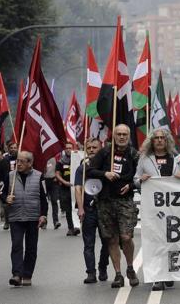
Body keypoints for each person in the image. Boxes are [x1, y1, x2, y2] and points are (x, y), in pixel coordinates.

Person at [87, 124, 140, 289]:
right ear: (114, 136)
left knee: (126, 237)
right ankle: (118, 273)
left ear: (128, 136)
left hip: (125, 201)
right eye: (119, 134)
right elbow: (89, 171)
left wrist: (131, 186)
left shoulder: (134, 154)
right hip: (105, 201)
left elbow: (141, 176)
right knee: (112, 239)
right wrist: (105, 174)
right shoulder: (105, 152)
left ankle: (130, 267)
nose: (122, 137)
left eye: (125, 134)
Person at [134, 128, 180, 291]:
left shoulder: (175, 158)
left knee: (172, 241)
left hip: (173, 208)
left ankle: (169, 273)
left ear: (167, 140)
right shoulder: (144, 158)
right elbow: (135, 179)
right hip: (153, 209)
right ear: (152, 141)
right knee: (155, 242)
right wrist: (140, 180)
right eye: (157, 138)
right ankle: (157, 277)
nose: (160, 140)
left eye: (163, 138)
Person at [1, 151, 48, 287]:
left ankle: (27, 274)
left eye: (22, 161)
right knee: (16, 245)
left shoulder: (39, 176)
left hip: (33, 217)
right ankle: (16, 274)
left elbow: (44, 198)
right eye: (17, 161)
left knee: (31, 248)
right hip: (16, 217)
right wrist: (6, 198)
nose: (18, 164)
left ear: (30, 163)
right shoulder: (10, 176)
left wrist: (43, 215)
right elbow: (1, 192)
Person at [74, 138, 110, 284]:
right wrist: (81, 208)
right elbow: (78, 188)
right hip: (88, 210)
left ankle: (103, 267)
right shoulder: (81, 168)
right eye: (88, 148)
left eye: (95, 147)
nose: (91, 150)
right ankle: (91, 272)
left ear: (100, 148)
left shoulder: (106, 166)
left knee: (106, 242)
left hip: (104, 209)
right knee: (88, 243)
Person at [56, 142, 80, 236]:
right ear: (64, 150)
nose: (68, 150)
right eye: (67, 148)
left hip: (77, 188)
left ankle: (77, 226)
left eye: (70, 148)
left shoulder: (78, 160)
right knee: (68, 209)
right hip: (65, 188)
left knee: (77, 207)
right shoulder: (61, 161)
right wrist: (64, 182)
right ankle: (71, 228)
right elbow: (57, 174)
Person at [0, 141, 18, 230]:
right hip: (7, 183)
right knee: (6, 203)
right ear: (8, 149)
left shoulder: (21, 158)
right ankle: (7, 221)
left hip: (18, 183)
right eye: (11, 148)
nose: (13, 149)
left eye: (14, 147)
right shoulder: (4, 160)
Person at [43, 157, 60, 229]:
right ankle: (44, 222)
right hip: (44, 181)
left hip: (53, 181)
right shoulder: (42, 158)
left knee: (54, 201)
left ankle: (56, 221)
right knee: (44, 202)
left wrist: (57, 177)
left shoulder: (54, 159)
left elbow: (58, 169)